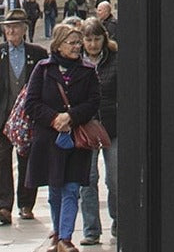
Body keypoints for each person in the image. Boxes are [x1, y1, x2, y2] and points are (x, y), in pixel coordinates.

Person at [24, 21, 101, 252]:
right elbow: (31, 103)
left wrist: (70, 117)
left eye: (79, 42)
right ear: (58, 46)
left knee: (71, 188)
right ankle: (58, 234)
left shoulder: (88, 71)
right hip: (49, 140)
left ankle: (66, 237)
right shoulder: (43, 69)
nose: (78, 47)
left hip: (76, 138)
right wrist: (54, 118)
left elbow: (94, 103)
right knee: (55, 189)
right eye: (72, 43)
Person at [0, 7, 47, 226]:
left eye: (15, 27)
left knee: (27, 160)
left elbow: (45, 86)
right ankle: (4, 206)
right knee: (1, 160)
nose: (11, 31)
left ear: (24, 29)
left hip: (28, 118)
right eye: (7, 28)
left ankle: (26, 205)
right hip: (1, 116)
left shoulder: (37, 54)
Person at [77, 18, 118, 246]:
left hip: (112, 127)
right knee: (88, 180)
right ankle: (91, 230)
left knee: (115, 179)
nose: (92, 44)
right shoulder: (76, 63)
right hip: (86, 128)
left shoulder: (116, 60)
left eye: (96, 39)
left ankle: (119, 221)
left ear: (104, 38)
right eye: (88, 39)